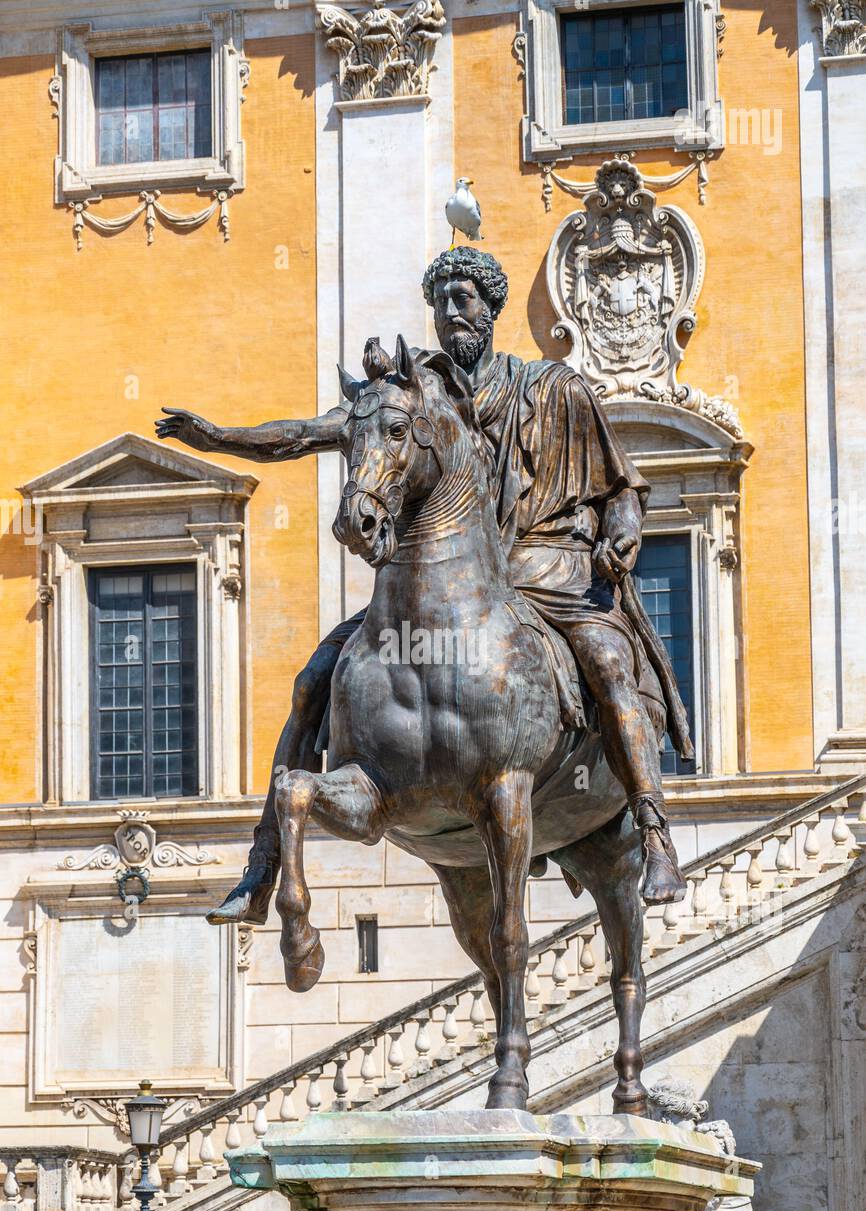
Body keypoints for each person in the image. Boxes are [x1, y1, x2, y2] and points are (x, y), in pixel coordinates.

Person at [156, 248, 692, 924]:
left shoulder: (554, 388)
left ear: (492, 307)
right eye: (441, 303)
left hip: (545, 566)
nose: (451, 314)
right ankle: (263, 863)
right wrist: (219, 438)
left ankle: (653, 830)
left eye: (464, 299)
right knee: (315, 678)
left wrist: (623, 532)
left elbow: (620, 487)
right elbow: (308, 433)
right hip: (458, 581)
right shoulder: (418, 398)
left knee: (611, 665)